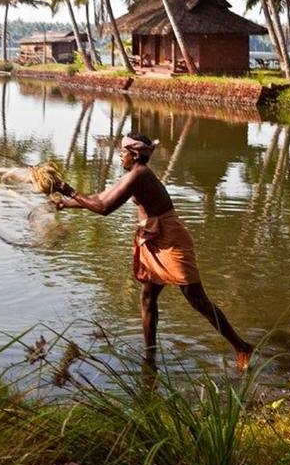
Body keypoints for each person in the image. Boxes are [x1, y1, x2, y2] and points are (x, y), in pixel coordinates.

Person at [54, 131, 253, 370]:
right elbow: (100, 196)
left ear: (134, 154)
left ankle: (242, 346)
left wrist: (70, 191)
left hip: (170, 240)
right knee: (148, 298)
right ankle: (150, 359)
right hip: (152, 239)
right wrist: (66, 203)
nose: (120, 154)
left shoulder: (140, 175)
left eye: (123, 151)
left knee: (197, 299)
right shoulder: (134, 175)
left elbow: (104, 207)